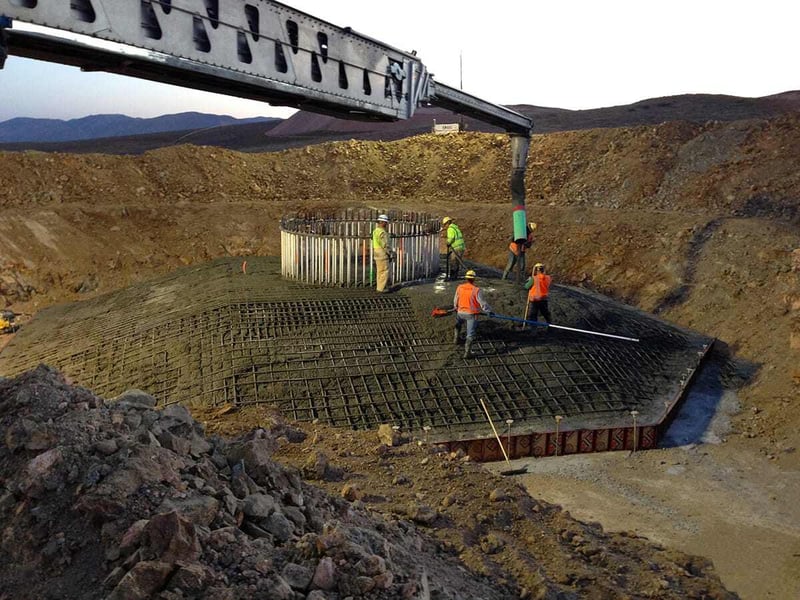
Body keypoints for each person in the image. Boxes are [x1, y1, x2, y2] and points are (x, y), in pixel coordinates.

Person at [453, 270, 492, 358]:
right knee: (470, 334)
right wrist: (488, 311)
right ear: (474, 279)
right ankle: (467, 353)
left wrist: (456, 307)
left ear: (466, 278)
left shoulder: (460, 287)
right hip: (471, 315)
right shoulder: (477, 290)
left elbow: (456, 299)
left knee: (458, 324)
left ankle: (456, 339)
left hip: (460, 312)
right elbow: (483, 303)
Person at [372, 214, 391, 292]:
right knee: (384, 270)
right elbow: (384, 244)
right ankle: (381, 288)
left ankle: (379, 286)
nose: (386, 224)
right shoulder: (382, 232)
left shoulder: (375, 230)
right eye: (385, 222)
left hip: (376, 251)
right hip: (382, 252)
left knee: (379, 271)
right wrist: (389, 252)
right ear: (382, 222)